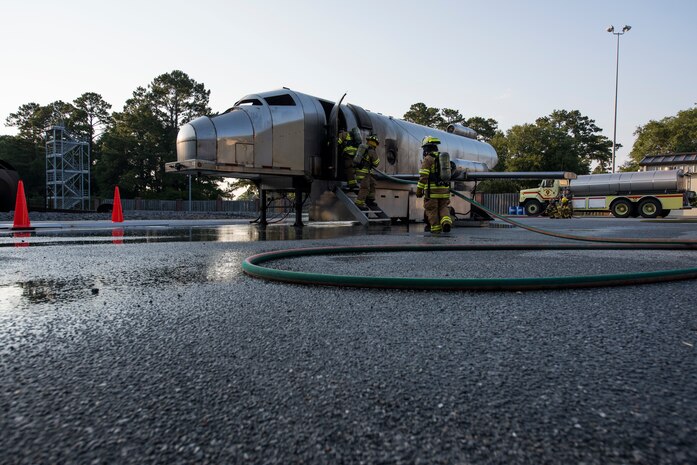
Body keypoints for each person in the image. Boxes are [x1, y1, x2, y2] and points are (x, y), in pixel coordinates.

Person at [416, 136, 452, 234]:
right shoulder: (443, 158)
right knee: (443, 208)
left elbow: (423, 177)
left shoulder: (428, 159)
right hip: (444, 190)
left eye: (424, 148)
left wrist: (419, 190)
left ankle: (436, 231)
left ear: (427, 148)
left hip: (432, 193)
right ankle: (446, 222)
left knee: (432, 210)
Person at [354, 134, 381, 209]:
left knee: (373, 183)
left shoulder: (363, 148)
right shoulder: (371, 151)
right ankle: (359, 204)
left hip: (362, 172)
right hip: (364, 173)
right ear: (375, 143)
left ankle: (370, 199)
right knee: (365, 188)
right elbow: (376, 163)